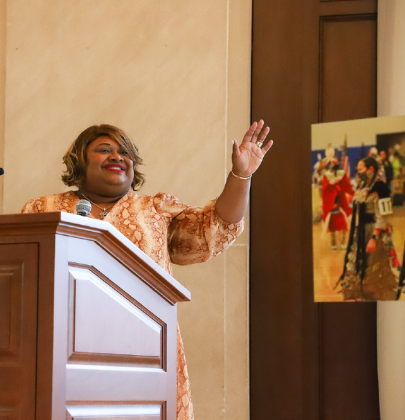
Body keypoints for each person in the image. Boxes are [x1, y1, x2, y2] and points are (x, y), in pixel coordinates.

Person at [21, 122, 273, 420]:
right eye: (104, 150)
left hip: (145, 350)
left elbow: (214, 229)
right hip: (65, 346)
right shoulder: (43, 209)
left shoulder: (156, 210)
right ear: (79, 161)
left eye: (125, 153)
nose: (117, 157)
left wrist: (241, 175)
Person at [338, 156, 401, 300]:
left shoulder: (380, 188)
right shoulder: (363, 186)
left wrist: (374, 237)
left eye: (360, 170)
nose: (358, 172)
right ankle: (363, 294)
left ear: (370, 170)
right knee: (358, 264)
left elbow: (383, 216)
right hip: (360, 233)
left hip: (374, 232)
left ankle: (374, 298)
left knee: (374, 267)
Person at [320, 158, 353, 249]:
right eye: (331, 164)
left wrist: (339, 182)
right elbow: (325, 189)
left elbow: (346, 186)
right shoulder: (326, 176)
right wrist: (332, 184)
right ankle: (333, 242)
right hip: (332, 206)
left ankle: (343, 242)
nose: (332, 165)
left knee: (344, 225)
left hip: (340, 204)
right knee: (332, 227)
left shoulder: (342, 174)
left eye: (334, 163)